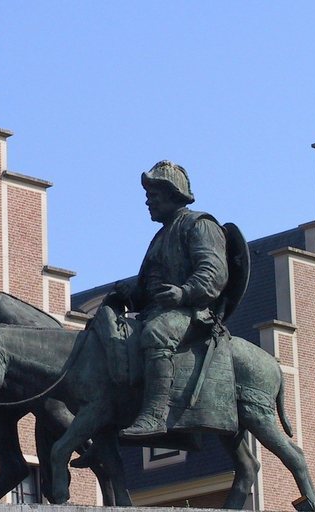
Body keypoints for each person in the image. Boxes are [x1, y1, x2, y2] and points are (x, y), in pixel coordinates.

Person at [105, 160, 228, 438]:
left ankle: (155, 416)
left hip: (193, 313)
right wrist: (126, 292)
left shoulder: (200, 225)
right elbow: (147, 289)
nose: (148, 203)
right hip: (159, 311)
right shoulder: (160, 236)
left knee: (156, 334)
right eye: (148, 197)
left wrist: (183, 292)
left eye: (154, 196)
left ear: (173, 195)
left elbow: (214, 272)